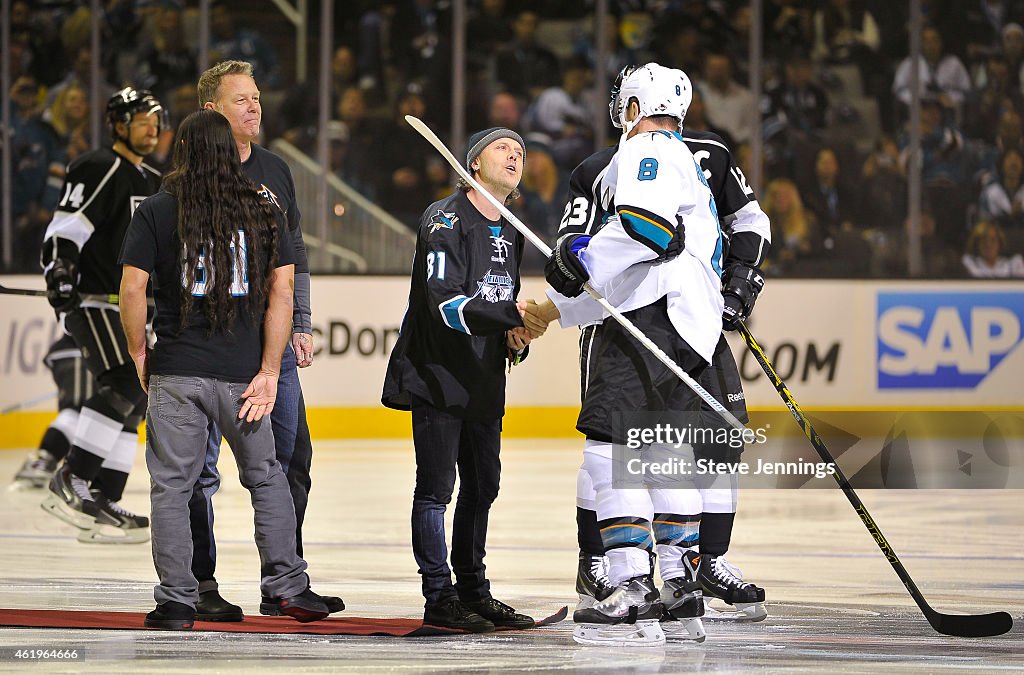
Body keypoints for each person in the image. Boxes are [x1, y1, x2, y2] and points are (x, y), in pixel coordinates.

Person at [539, 63, 773, 632]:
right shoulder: (686, 164)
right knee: (666, 454)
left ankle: (631, 581)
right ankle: (680, 582)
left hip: (649, 323)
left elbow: (648, 231)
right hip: (690, 325)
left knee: (607, 449)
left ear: (635, 107)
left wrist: (578, 262)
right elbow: (651, 257)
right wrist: (559, 307)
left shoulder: (647, 152)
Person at [119, 108, 328, 631]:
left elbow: (132, 288)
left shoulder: (158, 209)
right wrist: (269, 369)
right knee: (267, 478)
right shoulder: (263, 208)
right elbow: (282, 292)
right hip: (244, 377)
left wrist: (140, 354)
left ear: (183, 151)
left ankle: (178, 601)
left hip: (179, 372)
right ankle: (287, 587)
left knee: (172, 487)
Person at [187, 60, 343, 621]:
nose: (254, 108)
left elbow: (294, 251)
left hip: (270, 347)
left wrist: (300, 320)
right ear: (212, 111)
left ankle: (284, 583)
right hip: (205, 351)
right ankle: (199, 584)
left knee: (291, 459)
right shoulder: (185, 179)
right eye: (240, 100)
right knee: (197, 475)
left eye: (256, 98)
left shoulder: (276, 170)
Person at [381, 127, 537, 633]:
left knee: (483, 486)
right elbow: (444, 303)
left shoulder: (511, 227)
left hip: (483, 376)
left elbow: (499, 304)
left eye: (520, 151)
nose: (514, 155)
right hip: (438, 372)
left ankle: (473, 589)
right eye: (502, 148)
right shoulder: (445, 217)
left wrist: (517, 335)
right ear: (474, 164)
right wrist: (507, 315)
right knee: (435, 490)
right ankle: (439, 595)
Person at [40, 86, 164, 544]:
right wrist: (61, 271)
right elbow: (65, 229)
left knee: (139, 396)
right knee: (124, 382)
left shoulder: (152, 180)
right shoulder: (100, 166)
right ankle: (69, 479)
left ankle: (102, 497)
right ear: (118, 124)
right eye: (142, 119)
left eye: (156, 120)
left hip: (132, 305)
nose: (153, 127)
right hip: (95, 300)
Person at [12, 335, 93, 489]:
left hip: (98, 347)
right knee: (80, 409)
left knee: (122, 412)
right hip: (85, 347)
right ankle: (44, 460)